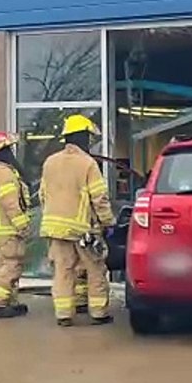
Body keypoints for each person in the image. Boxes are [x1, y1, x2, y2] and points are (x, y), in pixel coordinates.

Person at [39, 114, 115, 326]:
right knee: (95, 269)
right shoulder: (88, 164)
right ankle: (99, 313)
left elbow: (43, 195)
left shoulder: (50, 162)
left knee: (63, 270)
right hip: (84, 229)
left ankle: (63, 315)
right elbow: (99, 198)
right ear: (83, 137)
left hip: (56, 228)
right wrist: (108, 222)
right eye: (89, 138)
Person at [0, 131, 32, 318]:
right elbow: (11, 203)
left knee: (3, 266)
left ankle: (7, 302)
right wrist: (23, 226)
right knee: (12, 266)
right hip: (8, 231)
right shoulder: (4, 173)